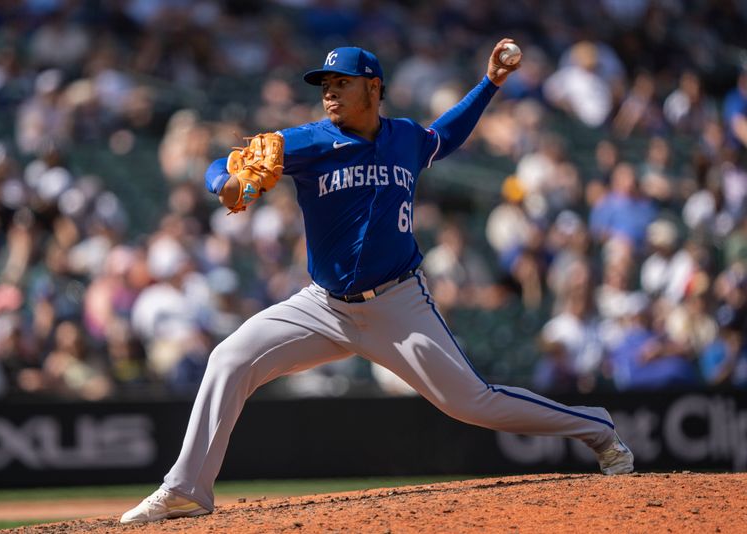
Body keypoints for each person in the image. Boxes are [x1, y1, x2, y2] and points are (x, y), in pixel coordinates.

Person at [121, 40, 634, 524]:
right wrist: (223, 182)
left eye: (340, 83)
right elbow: (223, 164)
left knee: (473, 402)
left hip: (398, 304)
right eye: (323, 85)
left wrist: (489, 83)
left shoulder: (406, 138)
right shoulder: (308, 141)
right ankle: (187, 489)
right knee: (229, 359)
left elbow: (446, 135)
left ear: (372, 87)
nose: (328, 92)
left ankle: (597, 428)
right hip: (322, 306)